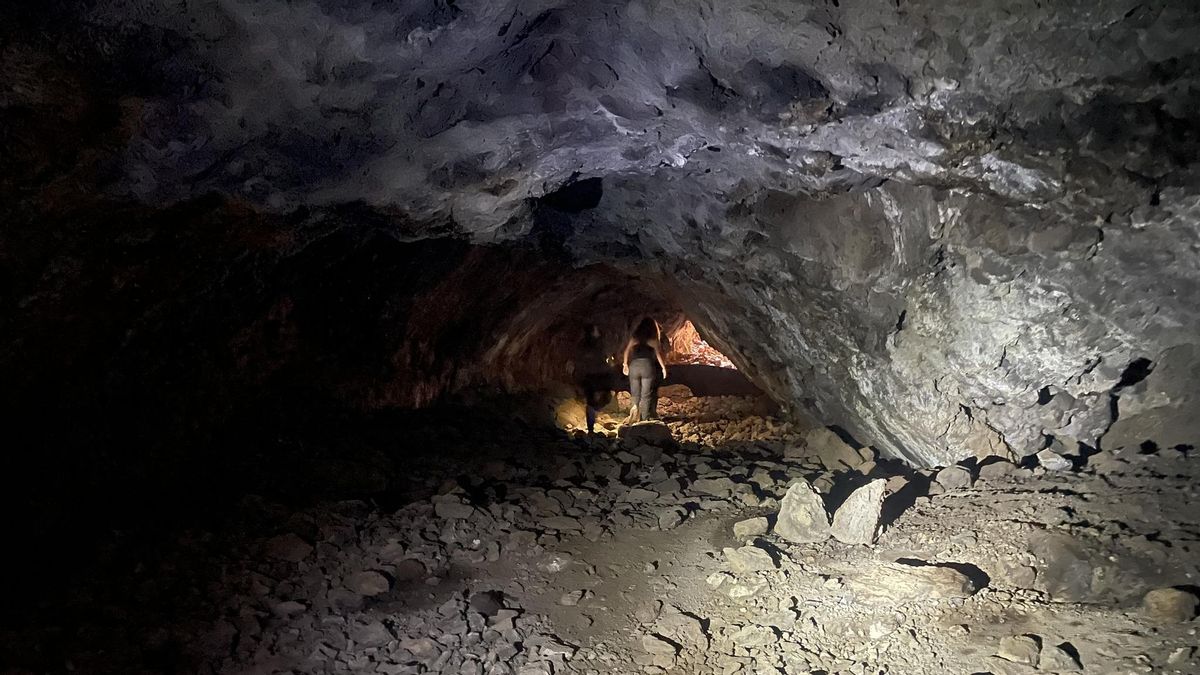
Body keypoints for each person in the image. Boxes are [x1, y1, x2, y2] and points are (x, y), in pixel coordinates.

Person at [622, 316, 668, 423]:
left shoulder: (634, 338)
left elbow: (626, 351)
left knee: (635, 392)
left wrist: (625, 364)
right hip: (647, 366)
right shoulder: (653, 340)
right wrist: (663, 368)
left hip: (634, 366)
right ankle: (644, 418)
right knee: (646, 394)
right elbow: (658, 355)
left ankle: (634, 413)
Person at [575, 324, 613, 435]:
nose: (598, 332)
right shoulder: (599, 344)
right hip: (599, 375)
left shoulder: (581, 344)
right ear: (592, 332)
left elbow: (578, 360)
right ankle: (596, 411)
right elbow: (605, 357)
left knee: (590, 402)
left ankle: (590, 428)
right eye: (596, 330)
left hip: (587, 376)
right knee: (605, 397)